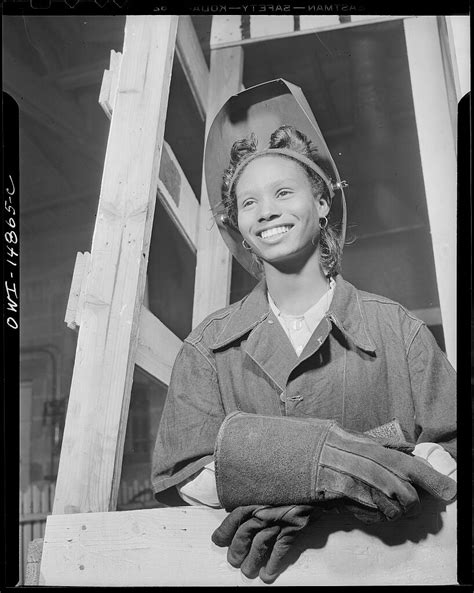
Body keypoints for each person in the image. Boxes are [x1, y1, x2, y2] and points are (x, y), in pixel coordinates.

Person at [151, 79, 457, 583]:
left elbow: (446, 460)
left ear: (321, 202)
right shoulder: (207, 349)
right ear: (239, 226)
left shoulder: (396, 330)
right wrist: (333, 466)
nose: (265, 211)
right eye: (248, 203)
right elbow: (188, 478)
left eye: (283, 192)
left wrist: (271, 472)